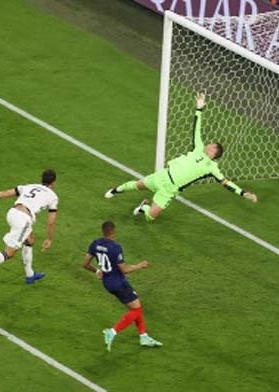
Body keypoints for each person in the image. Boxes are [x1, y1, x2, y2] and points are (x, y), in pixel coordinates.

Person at [104, 92, 258, 221]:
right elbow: (196, 129)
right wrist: (199, 108)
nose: (208, 145)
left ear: (213, 152)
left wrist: (244, 193)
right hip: (164, 175)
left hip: (170, 189)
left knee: (151, 217)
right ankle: (115, 190)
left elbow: (226, 183)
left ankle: (144, 206)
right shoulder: (198, 148)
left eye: (211, 146)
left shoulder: (212, 168)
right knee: (138, 185)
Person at [0, 169, 58, 290]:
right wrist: (49, 238)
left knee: (30, 239)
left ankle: (30, 275)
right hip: (23, 219)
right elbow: (51, 222)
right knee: (10, 252)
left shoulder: (29, 186)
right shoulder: (53, 196)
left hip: (12, 213)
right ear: (53, 183)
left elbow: (7, 192)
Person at [82, 221, 162, 351]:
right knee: (137, 310)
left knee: (134, 307)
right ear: (113, 232)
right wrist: (140, 265)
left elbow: (85, 263)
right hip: (118, 282)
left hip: (107, 283)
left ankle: (143, 336)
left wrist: (97, 271)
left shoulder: (95, 244)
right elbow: (124, 269)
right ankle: (113, 331)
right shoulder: (115, 247)